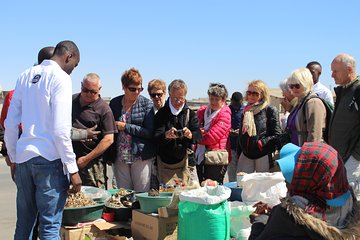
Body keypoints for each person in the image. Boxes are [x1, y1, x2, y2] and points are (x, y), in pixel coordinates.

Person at [4, 40, 82, 239]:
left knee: (24, 225)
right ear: (69, 56)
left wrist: (13, 156)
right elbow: (60, 129)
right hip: (49, 161)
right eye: (75, 64)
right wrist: (72, 169)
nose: (74, 69)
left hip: (24, 159)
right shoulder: (61, 79)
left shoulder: (24, 76)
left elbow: (10, 123)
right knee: (49, 226)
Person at [248, 142, 360, 240]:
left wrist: (260, 221)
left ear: (310, 184)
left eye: (292, 177)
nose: (286, 182)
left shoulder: (286, 219)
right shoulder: (348, 211)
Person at [105, 68, 155, 192]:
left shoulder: (146, 104)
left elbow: (149, 132)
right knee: (123, 195)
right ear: (124, 86)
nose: (137, 92)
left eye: (140, 89)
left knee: (141, 194)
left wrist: (125, 127)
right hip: (120, 157)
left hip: (140, 157)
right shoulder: (115, 103)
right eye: (133, 89)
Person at [72, 73, 117, 188]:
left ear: (99, 90)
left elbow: (108, 139)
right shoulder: (70, 101)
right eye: (85, 90)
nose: (88, 94)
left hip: (92, 163)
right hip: (69, 158)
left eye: (93, 92)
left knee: (94, 197)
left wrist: (86, 159)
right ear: (81, 86)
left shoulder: (104, 109)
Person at [154, 79, 202, 186]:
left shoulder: (190, 114)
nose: (178, 101)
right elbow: (155, 137)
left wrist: (190, 135)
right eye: (175, 98)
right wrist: (166, 135)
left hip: (186, 163)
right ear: (169, 95)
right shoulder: (161, 114)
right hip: (164, 164)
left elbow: (198, 136)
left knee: (193, 194)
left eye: (181, 98)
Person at [328, 53, 360, 200]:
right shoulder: (344, 91)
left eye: (335, 71)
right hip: (341, 159)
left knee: (352, 202)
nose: (332, 75)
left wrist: (355, 157)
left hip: (352, 161)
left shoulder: (357, 91)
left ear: (349, 70)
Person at [238, 80, 282, 173]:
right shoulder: (245, 111)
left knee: (263, 184)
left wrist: (262, 143)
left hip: (263, 154)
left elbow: (277, 134)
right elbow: (241, 133)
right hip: (246, 153)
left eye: (255, 94)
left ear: (262, 95)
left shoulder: (269, 110)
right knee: (243, 183)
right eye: (249, 93)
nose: (251, 96)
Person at [195, 83, 231, 184]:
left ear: (223, 100)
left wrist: (195, 136)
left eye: (217, 99)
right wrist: (198, 132)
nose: (213, 102)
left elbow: (212, 137)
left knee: (213, 188)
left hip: (216, 159)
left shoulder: (225, 114)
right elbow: (193, 127)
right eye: (211, 99)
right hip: (201, 156)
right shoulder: (202, 111)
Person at [286, 68, 327, 146]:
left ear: (305, 84)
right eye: (291, 86)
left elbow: (314, 135)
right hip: (296, 149)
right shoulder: (299, 103)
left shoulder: (313, 102)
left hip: (306, 152)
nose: (294, 89)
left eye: (297, 85)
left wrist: (307, 155)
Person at [225, 92, 244, 182]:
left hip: (243, 148)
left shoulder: (246, 110)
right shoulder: (226, 110)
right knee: (232, 174)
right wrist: (228, 131)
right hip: (230, 146)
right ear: (231, 101)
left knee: (242, 174)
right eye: (234, 104)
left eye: (238, 104)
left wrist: (240, 132)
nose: (236, 107)